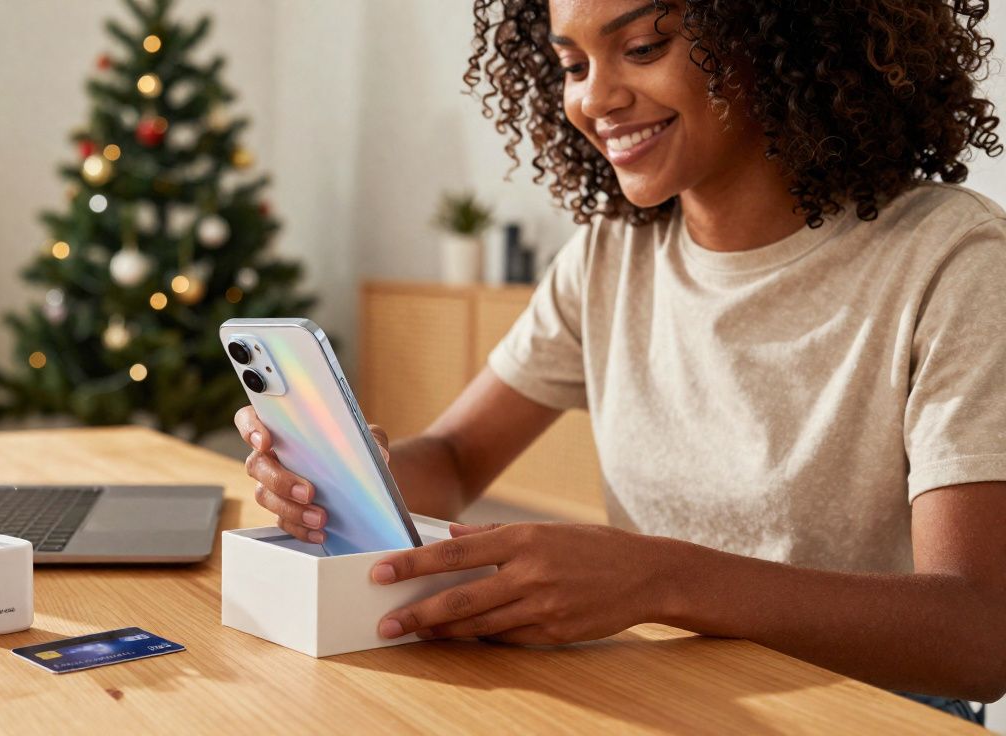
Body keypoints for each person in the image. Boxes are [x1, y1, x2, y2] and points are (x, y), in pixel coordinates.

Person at [235, 0, 1006, 723]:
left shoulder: (951, 261)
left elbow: (980, 635)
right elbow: (459, 455)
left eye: (642, 48)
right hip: (664, 698)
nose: (594, 99)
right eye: (571, 66)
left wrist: (661, 580)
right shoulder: (612, 256)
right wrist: (343, 474)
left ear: (783, 35)